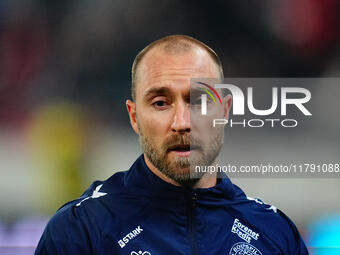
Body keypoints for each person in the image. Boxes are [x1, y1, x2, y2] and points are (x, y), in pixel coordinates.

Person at [35, 35, 309, 255]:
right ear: (134, 117)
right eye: (161, 103)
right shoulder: (80, 231)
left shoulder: (274, 233)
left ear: (225, 111)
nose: (182, 122)